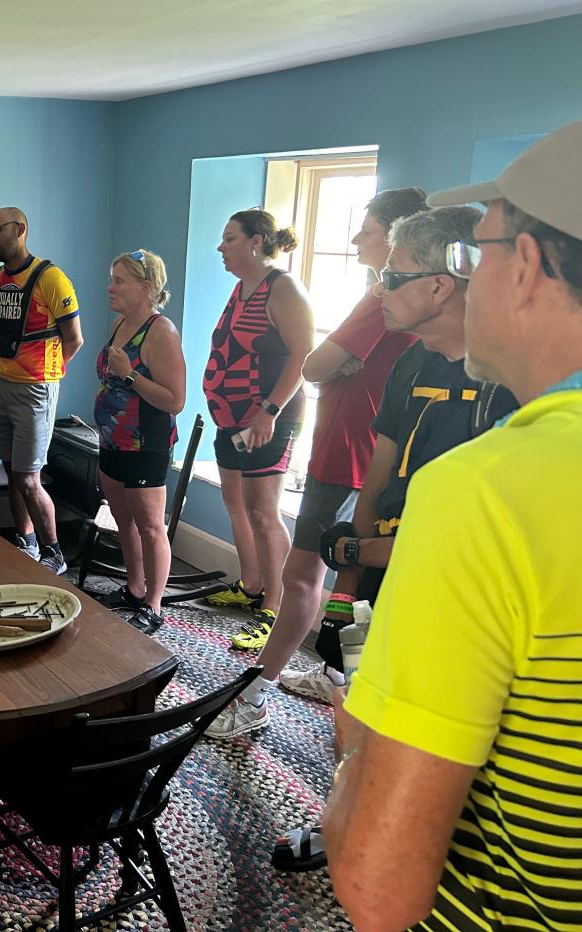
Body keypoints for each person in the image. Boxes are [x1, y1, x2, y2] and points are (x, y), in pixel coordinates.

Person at [326, 121, 582, 930]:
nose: (464, 278)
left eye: (478, 252)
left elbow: (377, 889)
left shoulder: (486, 490)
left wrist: (354, 755)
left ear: (531, 267)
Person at [269, 205, 516, 876]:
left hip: (454, 595)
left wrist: (359, 554)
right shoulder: (409, 365)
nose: (378, 290)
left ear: (440, 285)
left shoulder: (508, 382)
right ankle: (341, 820)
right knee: (359, 707)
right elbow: (378, 477)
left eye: (390, 275)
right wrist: (351, 579)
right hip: (379, 573)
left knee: (434, 735)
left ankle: (422, 851)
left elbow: (477, 533)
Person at [205, 187, 425, 739]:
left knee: (304, 575)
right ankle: (335, 672)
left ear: (397, 239)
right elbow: (328, 363)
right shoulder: (389, 296)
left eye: (367, 229)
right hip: (356, 449)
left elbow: (317, 362)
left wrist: (324, 373)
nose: (355, 238)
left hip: (349, 452)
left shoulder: (382, 298)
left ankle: (254, 695)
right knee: (350, 575)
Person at [201, 209, 314, 651]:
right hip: (232, 417)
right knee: (235, 501)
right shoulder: (241, 288)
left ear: (255, 241)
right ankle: (249, 585)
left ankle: (273, 607)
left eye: (229, 239)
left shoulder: (282, 287)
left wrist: (268, 410)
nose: (221, 247)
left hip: (269, 419)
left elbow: (304, 354)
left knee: (265, 512)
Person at [0, 206, 83, 575]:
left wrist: (47, 376)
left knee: (28, 476)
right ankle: (25, 543)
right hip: (0, 383)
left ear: (20, 229)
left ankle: (54, 553)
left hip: (34, 391)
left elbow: (74, 339)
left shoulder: (51, 279)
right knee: (10, 469)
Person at [92, 249, 186, 631]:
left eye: (119, 280)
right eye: (112, 278)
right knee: (122, 520)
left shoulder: (160, 331)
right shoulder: (119, 324)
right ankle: (133, 587)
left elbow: (175, 401)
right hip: (111, 440)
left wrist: (129, 374)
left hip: (145, 443)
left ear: (145, 287)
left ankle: (154, 603)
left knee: (150, 526)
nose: (110, 287)